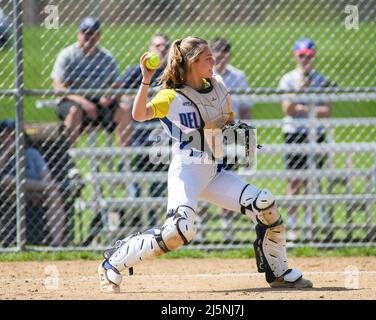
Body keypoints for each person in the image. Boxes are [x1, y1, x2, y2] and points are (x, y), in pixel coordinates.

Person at [97, 36, 312, 293]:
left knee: (264, 204)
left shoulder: (218, 86)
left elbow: (226, 121)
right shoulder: (171, 95)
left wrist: (236, 134)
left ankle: (278, 272)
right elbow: (139, 114)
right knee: (179, 231)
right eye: (208, 58)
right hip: (186, 171)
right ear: (192, 62)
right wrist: (145, 79)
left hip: (213, 172)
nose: (214, 61)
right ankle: (113, 262)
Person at [279, 38, 334, 240]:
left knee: (312, 179)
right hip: (295, 133)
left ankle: (310, 224)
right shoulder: (288, 79)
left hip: (315, 134)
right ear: (295, 56)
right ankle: (292, 226)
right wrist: (301, 91)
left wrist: (303, 108)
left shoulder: (321, 79)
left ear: (314, 56)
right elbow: (288, 109)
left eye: (308, 56)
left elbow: (327, 110)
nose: (305, 60)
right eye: (301, 56)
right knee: (294, 181)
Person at [51, 16, 132, 147]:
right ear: (78, 35)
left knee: (124, 109)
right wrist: (84, 102)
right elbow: (58, 87)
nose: (89, 37)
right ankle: (67, 160)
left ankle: (125, 159)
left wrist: (110, 96)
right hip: (74, 101)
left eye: (93, 33)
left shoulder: (106, 57)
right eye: (85, 33)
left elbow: (117, 86)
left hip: (99, 102)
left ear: (98, 36)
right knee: (74, 111)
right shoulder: (67, 55)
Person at [120, 33, 170, 226]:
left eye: (165, 47)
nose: (161, 50)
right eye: (157, 46)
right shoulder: (136, 71)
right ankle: (136, 220)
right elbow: (118, 94)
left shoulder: (172, 73)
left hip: (162, 137)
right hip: (139, 135)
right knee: (136, 184)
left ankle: (154, 221)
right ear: (150, 48)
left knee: (159, 186)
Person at [210, 37, 253, 241]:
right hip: (210, 133)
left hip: (232, 132)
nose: (221, 58)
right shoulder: (205, 75)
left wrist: (246, 135)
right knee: (208, 175)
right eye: (217, 54)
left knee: (229, 176)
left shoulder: (238, 76)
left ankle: (226, 226)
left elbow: (245, 108)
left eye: (224, 54)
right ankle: (201, 222)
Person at [0, 120, 67, 246]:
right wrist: (7, 151)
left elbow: (47, 179)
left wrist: (42, 189)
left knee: (54, 193)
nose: (9, 139)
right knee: (6, 180)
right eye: (5, 135)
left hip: (35, 193)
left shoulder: (32, 154)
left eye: (13, 135)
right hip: (8, 195)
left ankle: (57, 244)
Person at [211, 37, 252, 120]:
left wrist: (248, 132)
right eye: (218, 58)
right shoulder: (204, 75)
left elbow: (245, 110)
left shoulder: (238, 76)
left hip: (233, 125)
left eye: (224, 58)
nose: (221, 62)